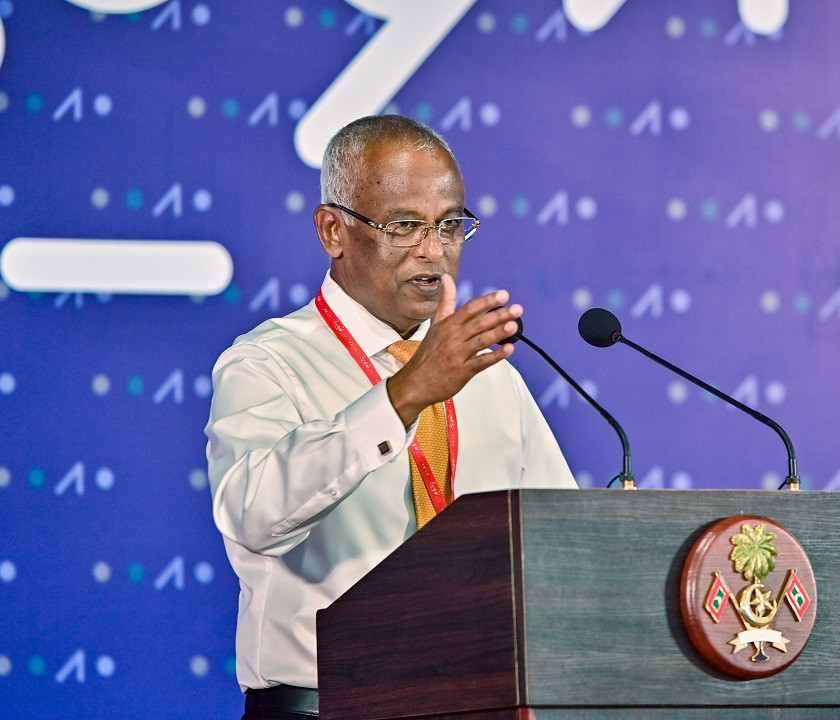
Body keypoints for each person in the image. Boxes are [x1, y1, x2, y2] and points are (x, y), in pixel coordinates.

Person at [204, 115, 577, 719]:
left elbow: (559, 537)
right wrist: (403, 395)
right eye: (404, 226)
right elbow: (253, 515)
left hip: (478, 704)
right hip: (327, 706)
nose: (433, 251)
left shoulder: (491, 375)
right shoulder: (267, 362)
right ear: (333, 230)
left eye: (450, 225)